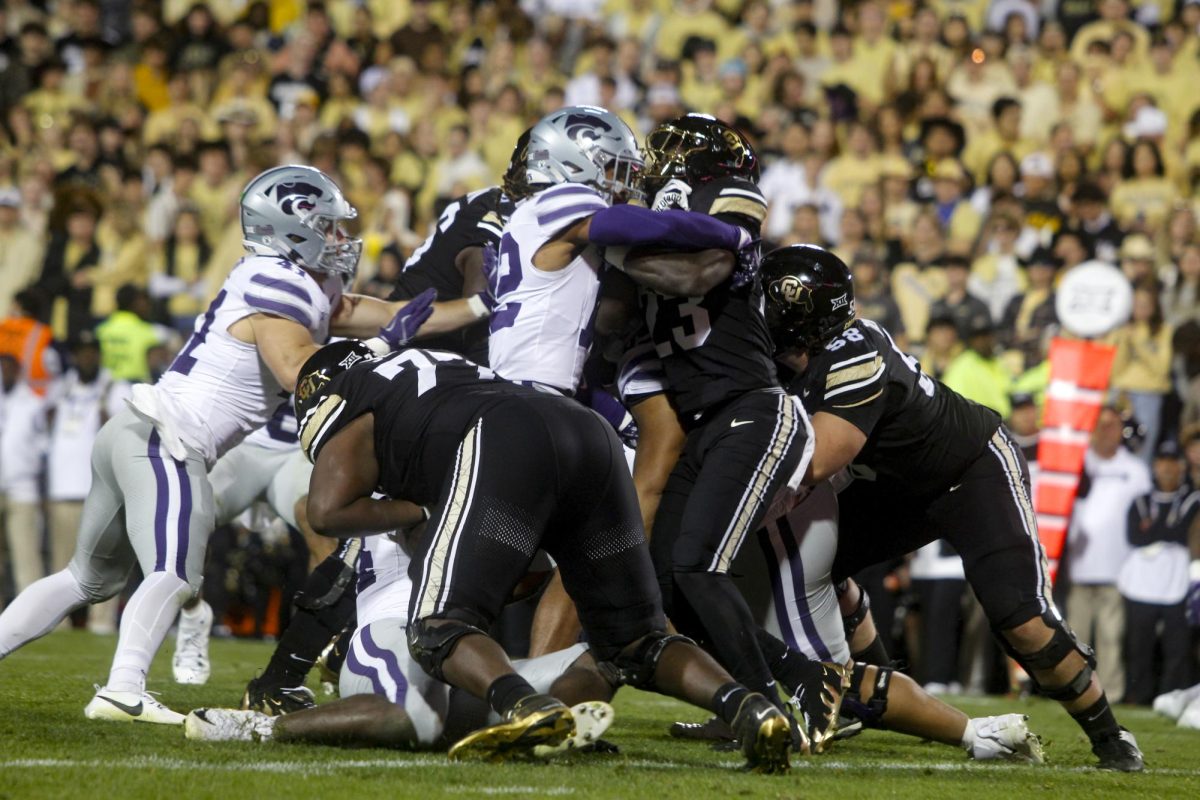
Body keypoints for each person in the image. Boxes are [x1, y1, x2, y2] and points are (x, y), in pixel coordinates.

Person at [0, 164, 472, 723]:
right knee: (174, 574)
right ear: (292, 228)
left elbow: (395, 317)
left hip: (134, 434)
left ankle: (112, 683)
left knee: (86, 579)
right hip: (169, 442)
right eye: (328, 226)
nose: (341, 239)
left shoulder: (301, 284)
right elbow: (301, 370)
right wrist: (377, 351)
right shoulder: (278, 283)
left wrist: (486, 308)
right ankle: (123, 690)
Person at [285, 341, 795, 770]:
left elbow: (326, 512)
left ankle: (524, 706)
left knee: (438, 626)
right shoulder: (431, 372)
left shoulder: (354, 394)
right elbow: (521, 570)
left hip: (506, 437)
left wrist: (420, 510)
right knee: (636, 640)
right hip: (590, 435)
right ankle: (749, 706)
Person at [761, 244, 1145, 771]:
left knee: (1022, 620)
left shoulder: (854, 354)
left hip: (970, 470)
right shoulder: (797, 353)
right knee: (801, 564)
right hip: (898, 487)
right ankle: (880, 690)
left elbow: (814, 463)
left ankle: (1110, 735)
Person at [237, 133, 535, 714]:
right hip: (421, 390)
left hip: (440, 388)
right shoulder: (499, 212)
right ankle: (285, 676)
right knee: (365, 548)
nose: (343, 241)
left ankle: (297, 669)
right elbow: (479, 288)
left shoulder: (508, 208)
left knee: (403, 551)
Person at [186, 531, 616, 755]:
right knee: (415, 719)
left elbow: (532, 573)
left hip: (465, 652)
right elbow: (331, 580)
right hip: (392, 633)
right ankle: (261, 729)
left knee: (603, 658)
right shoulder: (398, 480)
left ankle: (546, 730)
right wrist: (282, 674)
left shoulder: (491, 475)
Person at [1066, 405, 1154, 705]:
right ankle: (1074, 691)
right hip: (1079, 565)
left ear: (1121, 431)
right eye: (1101, 426)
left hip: (1118, 567)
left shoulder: (1136, 470)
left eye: (1113, 426)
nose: (1106, 432)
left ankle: (1111, 694)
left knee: (1111, 638)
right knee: (1075, 637)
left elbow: (1145, 521)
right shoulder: (1078, 463)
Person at [45, 332, 128, 633]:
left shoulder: (115, 388)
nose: (87, 357)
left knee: (104, 561)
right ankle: (58, 621)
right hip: (61, 490)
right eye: (81, 352)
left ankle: (102, 621)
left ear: (100, 354)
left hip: (100, 491)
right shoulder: (60, 388)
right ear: (74, 356)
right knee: (60, 562)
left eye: (92, 351)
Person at [1119, 440, 1200, 705]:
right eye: (1162, 461)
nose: (1167, 468)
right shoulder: (1141, 500)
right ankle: (1138, 695)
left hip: (1177, 582)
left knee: (1177, 646)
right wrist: (1165, 531)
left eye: (1173, 462)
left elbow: (1183, 533)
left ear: (1182, 467)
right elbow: (1134, 536)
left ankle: (1170, 697)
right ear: (1154, 466)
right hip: (1142, 583)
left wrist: (1153, 531)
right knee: (1138, 645)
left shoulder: (1192, 499)